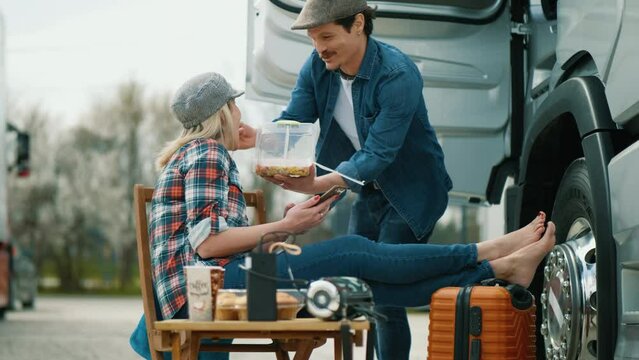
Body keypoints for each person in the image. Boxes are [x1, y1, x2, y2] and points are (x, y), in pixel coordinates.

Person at [130, 72, 555, 359]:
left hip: (220, 286)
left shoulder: (198, 154)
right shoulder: (206, 153)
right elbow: (207, 245)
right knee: (354, 250)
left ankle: (498, 267)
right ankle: (488, 251)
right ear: (223, 112)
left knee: (363, 288)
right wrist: (285, 226)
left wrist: (285, 222)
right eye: (235, 107)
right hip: (209, 295)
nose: (241, 113)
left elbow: (211, 241)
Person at [256, 1, 452, 358]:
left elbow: (378, 154)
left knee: (385, 287)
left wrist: (320, 184)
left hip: (412, 193)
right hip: (367, 189)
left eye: (327, 36)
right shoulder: (318, 66)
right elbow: (294, 121)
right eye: (314, 39)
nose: (320, 48)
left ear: (358, 24)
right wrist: (261, 143)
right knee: (354, 281)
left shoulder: (397, 74)